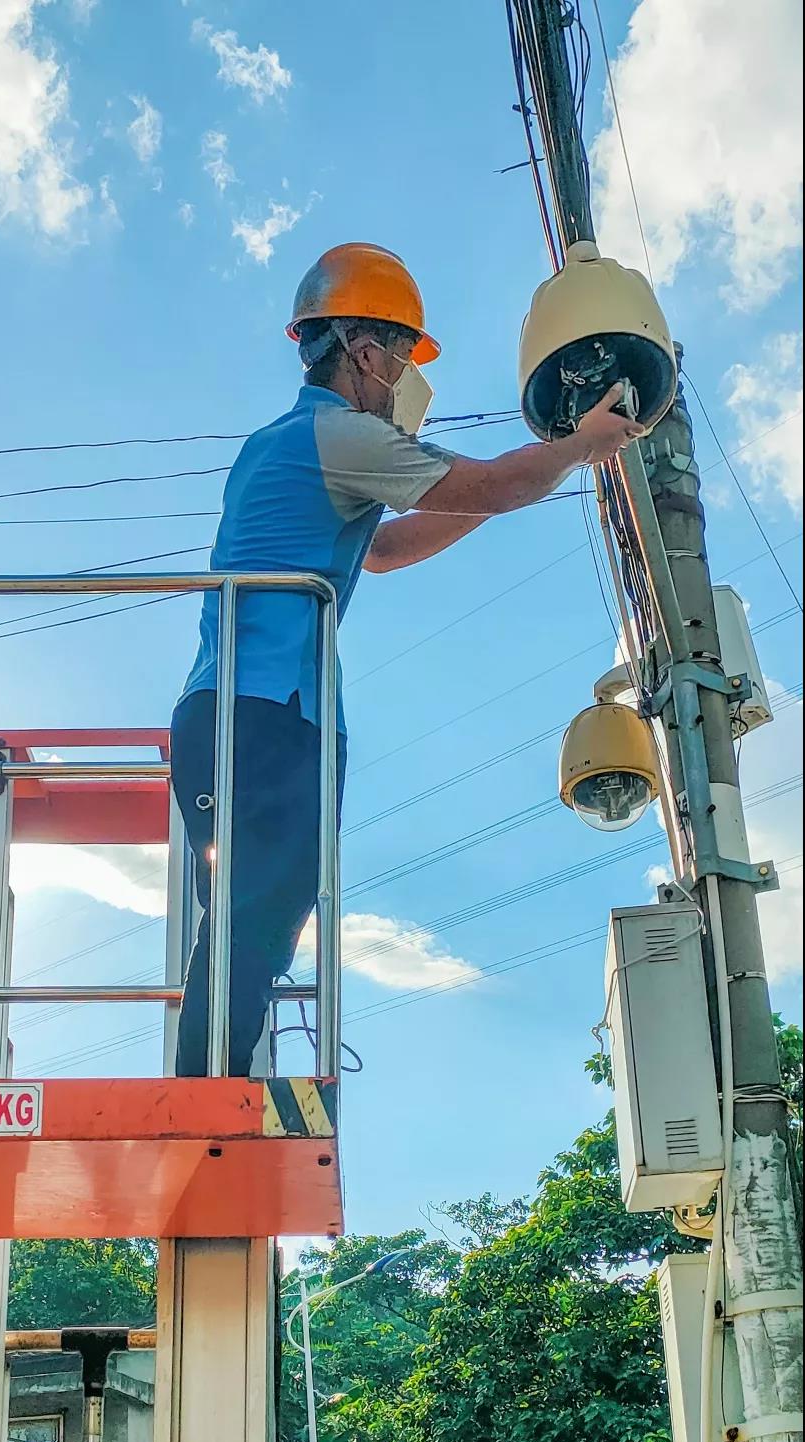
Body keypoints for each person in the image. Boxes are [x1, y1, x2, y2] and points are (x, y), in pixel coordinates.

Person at [170, 242, 644, 1077]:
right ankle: (209, 1095)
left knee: (254, 915)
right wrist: (579, 444)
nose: (400, 384)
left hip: (235, 711)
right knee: (256, 914)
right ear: (361, 352)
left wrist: (490, 493)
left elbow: (387, 550)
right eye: (397, 360)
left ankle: (216, 1084)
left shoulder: (282, 443)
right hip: (268, 712)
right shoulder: (339, 434)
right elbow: (490, 484)